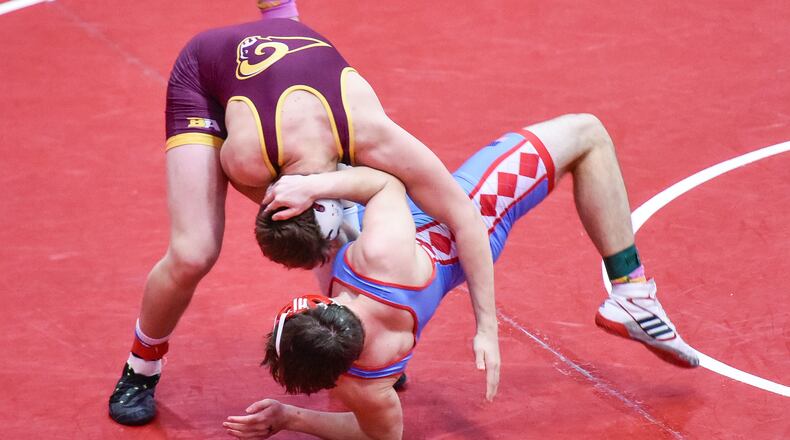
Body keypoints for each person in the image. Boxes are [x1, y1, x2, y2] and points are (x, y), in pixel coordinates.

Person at [107, 10, 501, 426]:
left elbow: (465, 216)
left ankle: (281, 15)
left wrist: (487, 328)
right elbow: (274, 208)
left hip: (292, 74)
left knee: (347, 230)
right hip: (205, 75)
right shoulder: (246, 161)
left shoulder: (372, 133)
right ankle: (141, 366)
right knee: (193, 252)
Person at [224, 114, 699, 439]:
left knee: (296, 198)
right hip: (467, 219)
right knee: (588, 133)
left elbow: (378, 433)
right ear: (324, 307)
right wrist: (486, 329)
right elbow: (387, 184)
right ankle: (631, 292)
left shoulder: (364, 386)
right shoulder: (378, 257)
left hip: (398, 275)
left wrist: (290, 416)